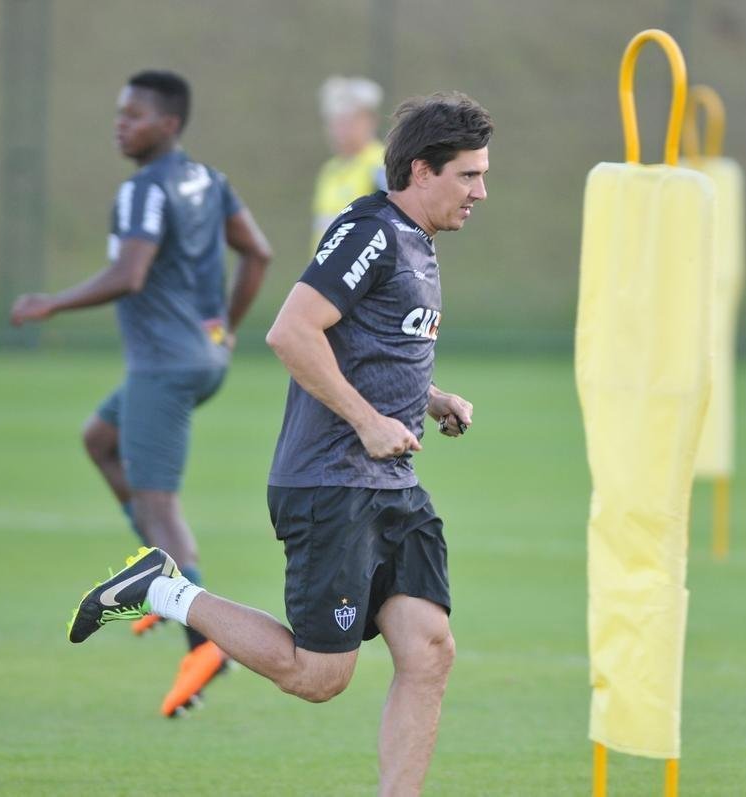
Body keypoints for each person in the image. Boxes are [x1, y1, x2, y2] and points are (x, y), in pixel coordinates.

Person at [68, 91, 492, 795]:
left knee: (429, 648)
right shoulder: (371, 234)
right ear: (422, 170)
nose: (482, 190)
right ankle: (162, 589)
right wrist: (365, 420)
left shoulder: (418, 241)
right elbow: (291, 332)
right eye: (469, 175)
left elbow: (371, 349)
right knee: (320, 675)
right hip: (334, 483)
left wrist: (429, 398)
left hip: (392, 485)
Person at [11, 70, 273, 718]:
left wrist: (52, 303)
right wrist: (228, 329)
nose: (120, 124)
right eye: (119, 114)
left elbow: (130, 274)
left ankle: (204, 639)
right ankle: (161, 584)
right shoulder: (208, 179)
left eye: (134, 115)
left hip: (164, 366)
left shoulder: (142, 191)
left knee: (159, 506)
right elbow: (259, 254)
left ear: (169, 124)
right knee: (101, 440)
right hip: (201, 358)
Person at [311, 76, 387, 253]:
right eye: (335, 121)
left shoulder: (381, 165)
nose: (341, 129)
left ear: (370, 121)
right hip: (326, 276)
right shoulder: (329, 170)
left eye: (350, 121)